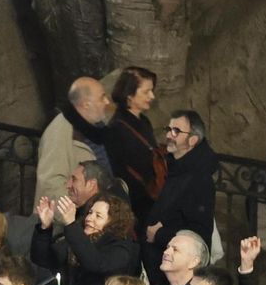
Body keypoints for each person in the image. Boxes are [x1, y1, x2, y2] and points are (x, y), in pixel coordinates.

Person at [33, 191, 140, 285]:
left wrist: (71, 225)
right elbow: (43, 259)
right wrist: (45, 227)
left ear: (113, 223)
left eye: (98, 216)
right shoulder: (79, 239)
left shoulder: (122, 248)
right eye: (90, 213)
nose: (89, 218)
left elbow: (95, 263)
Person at [143, 111, 217, 268]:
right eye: (168, 129)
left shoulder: (199, 180)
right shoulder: (175, 167)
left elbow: (199, 234)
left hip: (179, 269)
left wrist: (159, 235)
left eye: (176, 131)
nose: (169, 135)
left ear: (192, 140)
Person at [37, 77, 112, 203]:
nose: (107, 102)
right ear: (86, 104)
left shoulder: (96, 127)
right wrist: (72, 218)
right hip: (79, 215)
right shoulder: (61, 132)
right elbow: (51, 183)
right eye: (102, 97)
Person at [105, 66, 163, 221]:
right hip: (136, 206)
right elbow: (120, 172)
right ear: (129, 95)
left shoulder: (144, 121)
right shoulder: (116, 128)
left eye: (152, 90)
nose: (152, 96)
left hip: (151, 200)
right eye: (146, 92)